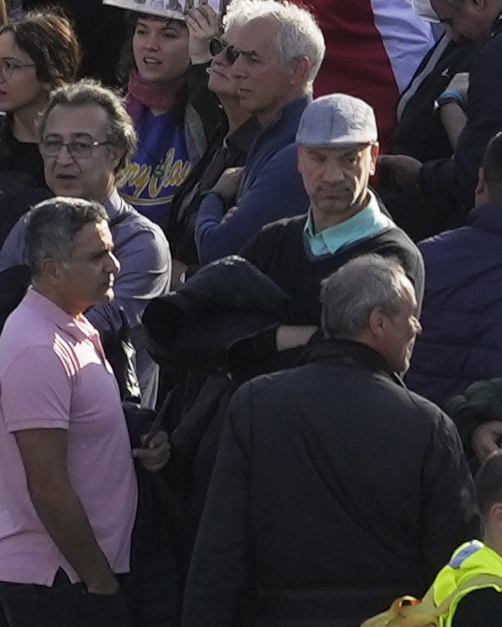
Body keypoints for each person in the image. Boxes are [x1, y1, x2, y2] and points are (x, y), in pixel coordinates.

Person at [187, 256, 473, 627]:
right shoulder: (428, 425)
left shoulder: (256, 405)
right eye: (410, 315)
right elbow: (454, 559)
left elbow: (219, 550)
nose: (417, 328)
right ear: (379, 323)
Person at [0, 193, 139, 627]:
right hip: (60, 581)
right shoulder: (38, 349)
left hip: (77, 575)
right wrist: (100, 583)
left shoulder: (73, 322)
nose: (113, 265)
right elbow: (49, 488)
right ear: (52, 269)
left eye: (111, 251)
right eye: (97, 256)